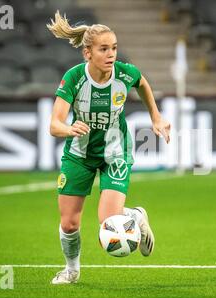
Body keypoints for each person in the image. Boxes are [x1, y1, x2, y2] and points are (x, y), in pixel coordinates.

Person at [47, 11, 171, 284]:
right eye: (104, 49)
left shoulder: (125, 73)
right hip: (79, 154)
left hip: (116, 151)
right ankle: (72, 270)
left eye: (114, 48)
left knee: (109, 221)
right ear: (87, 53)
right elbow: (54, 124)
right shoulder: (74, 78)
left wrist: (156, 117)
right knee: (69, 223)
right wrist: (69, 128)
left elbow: (143, 83)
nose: (112, 54)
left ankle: (134, 215)